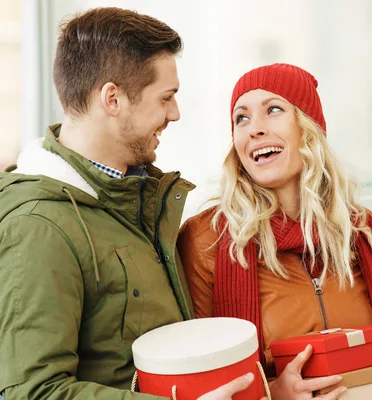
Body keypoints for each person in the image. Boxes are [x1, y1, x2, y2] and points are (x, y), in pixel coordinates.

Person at [0, 7, 261, 400]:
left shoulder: (135, 200)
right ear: (113, 99)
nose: (175, 113)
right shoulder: (39, 225)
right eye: (166, 97)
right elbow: (34, 393)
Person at [178, 63, 372, 399]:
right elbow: (201, 380)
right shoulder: (207, 238)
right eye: (241, 118)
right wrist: (272, 393)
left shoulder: (363, 231)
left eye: (273, 110)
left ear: (308, 128)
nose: (254, 129)